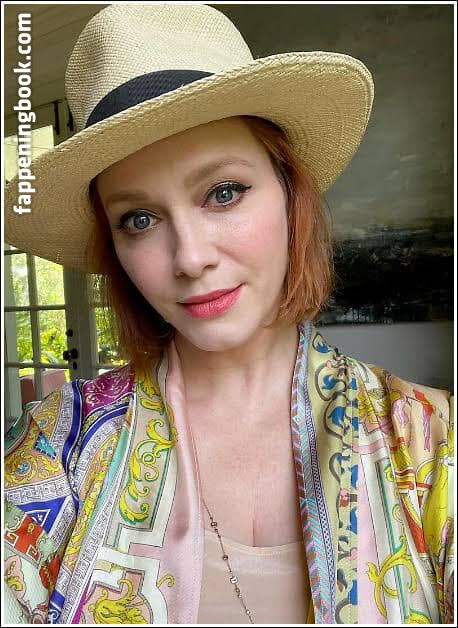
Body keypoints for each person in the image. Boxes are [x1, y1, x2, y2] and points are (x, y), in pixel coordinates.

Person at [3, 4, 454, 625]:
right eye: (139, 219)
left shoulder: (429, 443)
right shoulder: (59, 445)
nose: (190, 258)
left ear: (291, 193)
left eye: (223, 192)